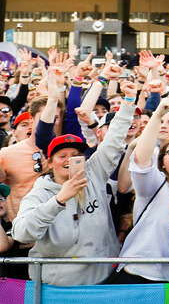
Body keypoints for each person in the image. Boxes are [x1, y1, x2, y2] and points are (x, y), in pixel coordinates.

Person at [11, 82, 137, 285]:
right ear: (50, 162)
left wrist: (129, 102)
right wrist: (60, 199)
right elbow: (22, 233)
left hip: (103, 280)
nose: (69, 160)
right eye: (62, 156)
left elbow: (113, 141)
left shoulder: (93, 173)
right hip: (59, 288)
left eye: (76, 155)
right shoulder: (41, 192)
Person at [110, 97, 169, 284]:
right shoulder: (154, 183)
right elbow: (141, 159)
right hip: (138, 273)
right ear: (161, 163)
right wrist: (158, 114)